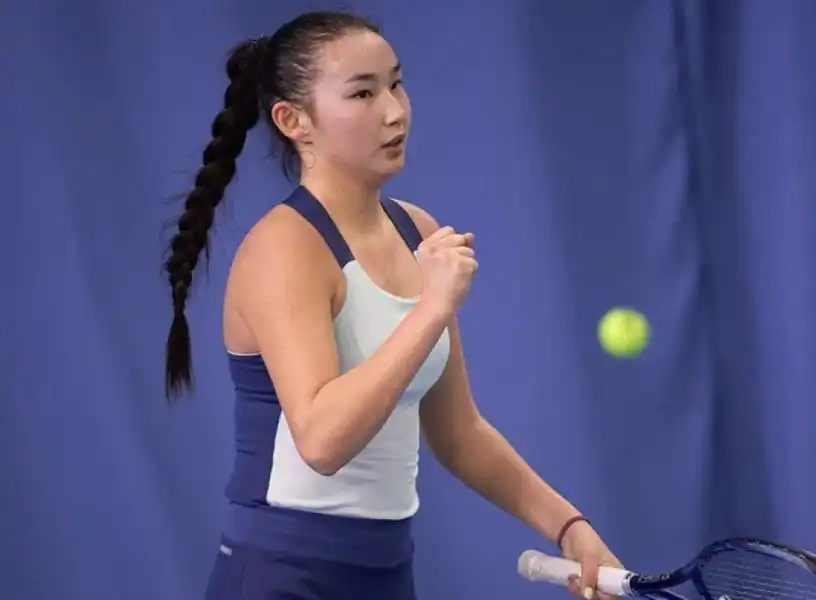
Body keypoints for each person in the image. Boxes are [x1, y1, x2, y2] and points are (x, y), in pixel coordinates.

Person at [163, 9, 623, 600]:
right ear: (294, 120)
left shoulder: (416, 231)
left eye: (396, 83)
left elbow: (459, 433)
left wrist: (570, 527)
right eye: (362, 92)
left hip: (386, 572)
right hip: (281, 576)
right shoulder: (283, 247)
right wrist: (431, 308)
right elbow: (322, 441)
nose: (394, 111)